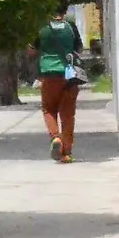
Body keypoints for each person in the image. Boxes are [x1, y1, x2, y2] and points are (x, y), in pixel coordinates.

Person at [34, 9, 85, 163]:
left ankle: (56, 138)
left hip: (48, 74)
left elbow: (31, 49)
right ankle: (67, 152)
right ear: (64, 10)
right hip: (68, 75)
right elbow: (79, 49)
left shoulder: (41, 27)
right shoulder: (70, 27)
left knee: (48, 108)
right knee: (68, 114)